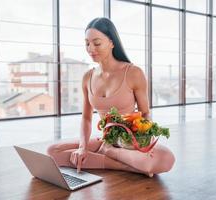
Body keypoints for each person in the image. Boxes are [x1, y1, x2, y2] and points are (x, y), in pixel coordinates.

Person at [47, 17, 175, 177]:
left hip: (130, 141)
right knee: (52, 151)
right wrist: (82, 147)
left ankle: (109, 153)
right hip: (105, 139)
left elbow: (145, 113)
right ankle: (124, 165)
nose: (90, 48)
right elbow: (86, 118)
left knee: (166, 158)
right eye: (87, 43)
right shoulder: (88, 77)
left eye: (97, 43)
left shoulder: (133, 73)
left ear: (112, 42)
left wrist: (144, 140)